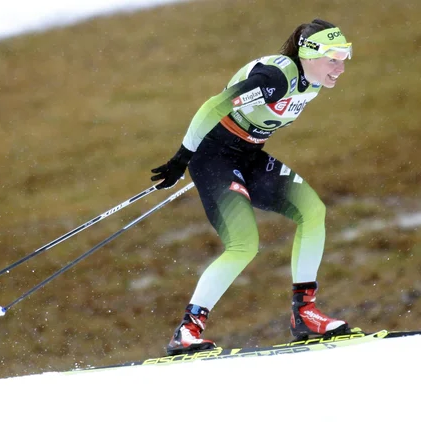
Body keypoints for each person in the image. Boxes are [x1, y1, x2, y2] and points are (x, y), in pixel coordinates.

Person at [150, 19, 355, 356]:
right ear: (309, 54)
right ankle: (186, 331)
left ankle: (305, 315)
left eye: (345, 56)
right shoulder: (275, 79)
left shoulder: (312, 82)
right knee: (243, 244)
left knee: (313, 211)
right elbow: (214, 106)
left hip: (247, 155)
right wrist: (182, 158)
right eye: (333, 58)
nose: (341, 67)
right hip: (213, 157)